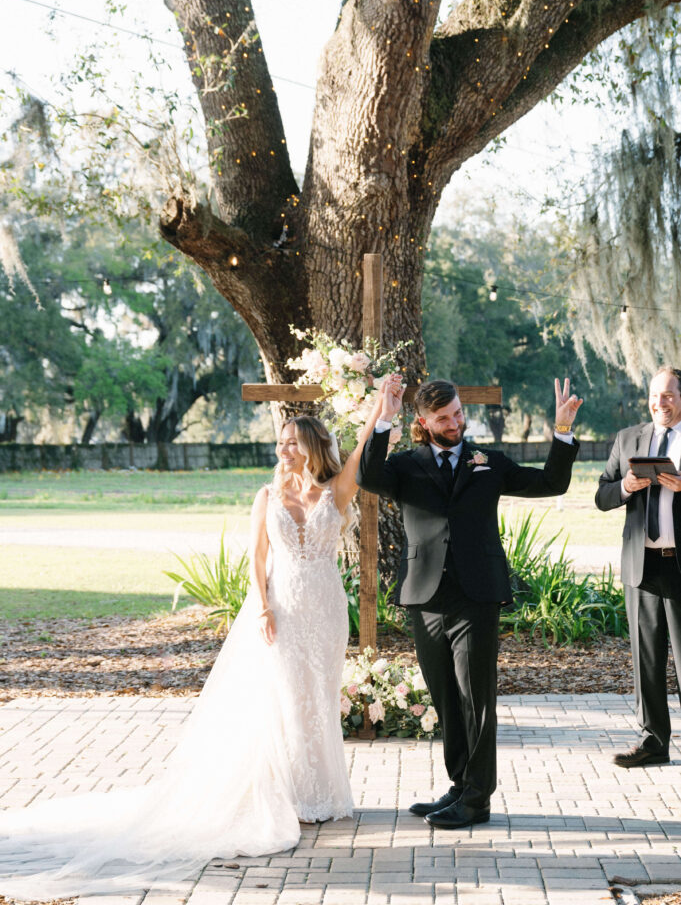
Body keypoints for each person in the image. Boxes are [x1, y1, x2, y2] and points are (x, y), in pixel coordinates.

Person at [0, 388, 391, 899]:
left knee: (319, 697)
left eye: (292, 442)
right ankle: (290, 795)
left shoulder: (336, 491)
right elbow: (256, 557)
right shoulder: (267, 496)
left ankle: (324, 794)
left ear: (313, 446)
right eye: (280, 442)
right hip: (284, 607)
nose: (283, 450)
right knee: (286, 699)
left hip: (325, 609)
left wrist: (382, 409)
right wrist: (265, 607)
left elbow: (362, 452)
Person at [357, 376, 581, 830]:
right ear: (423, 422)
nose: (456, 422)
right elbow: (366, 476)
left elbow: (551, 483)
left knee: (477, 701)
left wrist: (561, 432)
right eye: (445, 418)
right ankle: (460, 785)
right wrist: (382, 418)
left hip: (477, 596)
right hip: (425, 598)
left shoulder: (489, 462)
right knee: (446, 699)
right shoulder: (404, 466)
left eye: (458, 413)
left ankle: (478, 799)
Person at [596, 365, 681, 768]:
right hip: (643, 567)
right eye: (654, 394)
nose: (659, 402)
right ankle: (653, 742)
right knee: (646, 658)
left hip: (679, 566)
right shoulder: (629, 438)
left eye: (667, 395)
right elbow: (601, 494)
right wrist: (626, 487)